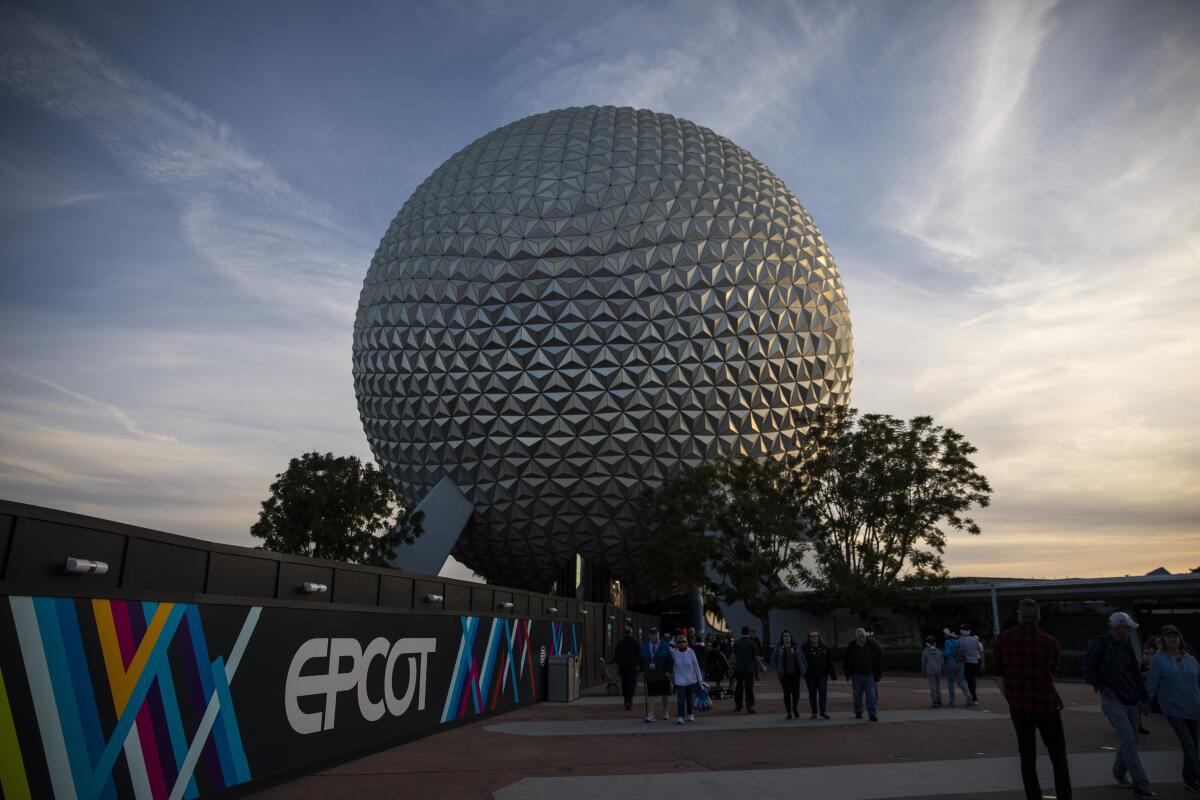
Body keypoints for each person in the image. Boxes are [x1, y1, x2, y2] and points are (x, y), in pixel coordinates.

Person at [992, 598, 1072, 800]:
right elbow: (1053, 670)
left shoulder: (1003, 640)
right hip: (1047, 704)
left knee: (1027, 755)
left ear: (1019, 616)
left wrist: (1010, 697)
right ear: (1039, 617)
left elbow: (998, 674)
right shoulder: (1050, 642)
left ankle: (1033, 796)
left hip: (1020, 705)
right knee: (1058, 755)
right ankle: (1065, 795)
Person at [1083, 611, 1156, 798]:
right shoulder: (1098, 644)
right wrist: (1105, 689)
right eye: (1128, 628)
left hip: (1130, 698)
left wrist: (1144, 699)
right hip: (1114, 701)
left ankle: (1119, 772)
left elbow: (1134, 673)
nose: (1130, 631)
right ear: (1119, 626)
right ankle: (1141, 784)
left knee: (1131, 741)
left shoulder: (1126, 645)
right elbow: (1088, 670)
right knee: (1130, 741)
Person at [1146, 624, 1200, 792]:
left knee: (1193, 748)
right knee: (1189, 746)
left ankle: (1189, 780)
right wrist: (1145, 702)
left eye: (1175, 636)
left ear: (1180, 638)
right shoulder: (1158, 660)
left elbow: (1196, 683)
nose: (1172, 638)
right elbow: (1151, 683)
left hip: (1193, 707)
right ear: (1163, 639)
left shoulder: (1191, 659)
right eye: (1169, 636)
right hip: (1172, 709)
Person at [843, 627, 882, 721]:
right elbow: (847, 660)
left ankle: (872, 714)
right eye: (859, 637)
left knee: (871, 695)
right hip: (856, 675)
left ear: (865, 636)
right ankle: (858, 712)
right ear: (856, 637)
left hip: (870, 674)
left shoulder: (872, 645)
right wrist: (848, 673)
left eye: (863, 636)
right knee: (857, 696)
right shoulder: (851, 646)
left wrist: (878, 672)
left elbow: (878, 658)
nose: (861, 639)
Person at [771, 630, 807, 719]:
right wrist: (778, 669)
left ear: (791, 637)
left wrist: (803, 669)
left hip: (795, 674)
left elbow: (803, 659)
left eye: (788, 636)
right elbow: (773, 660)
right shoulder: (779, 648)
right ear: (782, 638)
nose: (786, 638)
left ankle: (794, 707)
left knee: (796, 692)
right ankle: (789, 712)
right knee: (787, 693)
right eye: (785, 636)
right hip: (784, 675)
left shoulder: (796, 647)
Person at [639, 626, 672, 722]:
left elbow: (669, 660)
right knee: (651, 695)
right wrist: (642, 671)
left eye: (657, 636)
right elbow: (640, 661)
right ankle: (650, 714)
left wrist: (668, 671)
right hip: (650, 675)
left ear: (659, 635)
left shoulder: (665, 645)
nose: (655, 638)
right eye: (653, 636)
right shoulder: (644, 646)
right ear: (649, 636)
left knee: (664, 694)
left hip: (663, 675)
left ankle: (665, 712)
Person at [801, 630, 836, 719]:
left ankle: (823, 711)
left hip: (822, 674)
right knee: (812, 693)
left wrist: (832, 674)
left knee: (823, 692)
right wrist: (802, 672)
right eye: (812, 636)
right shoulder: (804, 647)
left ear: (819, 637)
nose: (814, 638)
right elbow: (801, 661)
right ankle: (814, 712)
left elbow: (829, 661)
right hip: (810, 675)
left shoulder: (824, 647)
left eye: (816, 636)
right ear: (809, 637)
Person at [670, 633, 702, 724]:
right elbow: (669, 647)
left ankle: (690, 713)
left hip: (691, 680)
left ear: (687, 643)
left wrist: (700, 680)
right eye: (679, 642)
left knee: (690, 699)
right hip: (680, 681)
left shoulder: (691, 652)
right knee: (680, 700)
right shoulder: (674, 653)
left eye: (683, 641)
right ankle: (680, 716)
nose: (681, 643)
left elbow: (696, 666)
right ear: (677, 643)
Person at [942, 628, 974, 706]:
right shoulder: (959, 642)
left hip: (951, 663)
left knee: (950, 682)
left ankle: (952, 700)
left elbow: (947, 653)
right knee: (961, 681)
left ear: (948, 635)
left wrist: (941, 653)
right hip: (960, 662)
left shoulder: (947, 642)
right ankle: (968, 695)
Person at [732, 625, 760, 713]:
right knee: (749, 688)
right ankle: (749, 705)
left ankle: (738, 705)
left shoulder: (737, 643)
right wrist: (757, 672)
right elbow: (755, 658)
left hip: (739, 668)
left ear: (741, 632)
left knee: (738, 687)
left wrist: (732, 668)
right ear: (748, 633)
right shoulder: (752, 643)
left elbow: (733, 657)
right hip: (749, 669)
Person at [613, 625, 640, 710]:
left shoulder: (620, 642)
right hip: (633, 667)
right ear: (631, 633)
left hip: (623, 667)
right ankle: (629, 700)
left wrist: (619, 663)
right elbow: (639, 655)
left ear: (624, 633)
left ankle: (626, 700)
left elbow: (616, 655)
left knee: (624, 684)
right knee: (631, 685)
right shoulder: (636, 642)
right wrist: (637, 664)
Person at [959, 623, 984, 702]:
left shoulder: (960, 640)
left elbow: (960, 652)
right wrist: (982, 663)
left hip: (965, 663)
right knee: (972, 680)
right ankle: (974, 698)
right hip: (975, 662)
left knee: (966, 680)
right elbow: (980, 651)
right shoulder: (974, 639)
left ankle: (970, 697)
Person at [922, 635, 945, 707]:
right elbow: (942, 661)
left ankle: (934, 701)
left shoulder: (925, 651)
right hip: (938, 670)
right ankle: (939, 700)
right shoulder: (938, 651)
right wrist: (942, 669)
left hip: (930, 670)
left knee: (932, 685)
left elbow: (923, 663)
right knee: (938, 686)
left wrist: (923, 672)